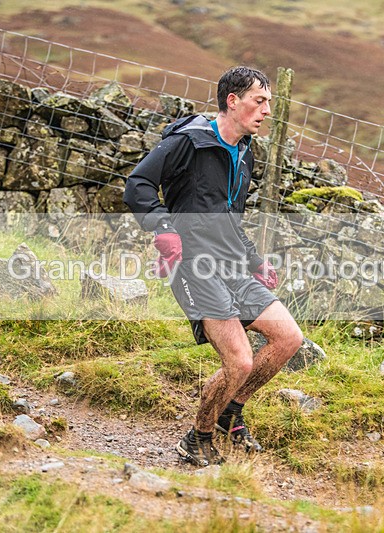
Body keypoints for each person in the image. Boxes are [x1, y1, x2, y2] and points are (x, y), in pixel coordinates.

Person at [123, 66, 304, 467]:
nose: (267, 111)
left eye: (269, 103)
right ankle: (197, 437)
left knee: (288, 338)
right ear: (232, 101)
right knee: (239, 360)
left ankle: (229, 411)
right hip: (193, 266)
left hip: (233, 266)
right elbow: (137, 186)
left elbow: (228, 217)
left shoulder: (245, 151)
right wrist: (163, 229)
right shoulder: (187, 142)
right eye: (260, 101)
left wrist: (255, 260)